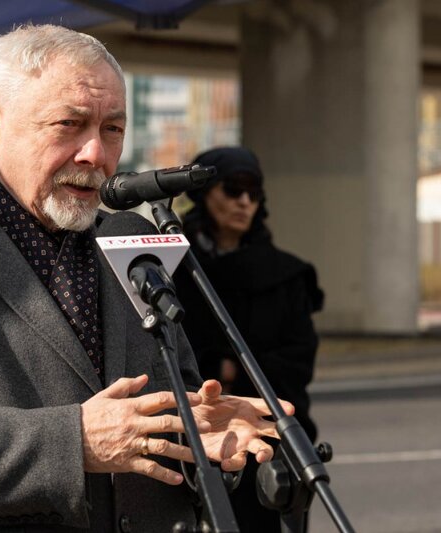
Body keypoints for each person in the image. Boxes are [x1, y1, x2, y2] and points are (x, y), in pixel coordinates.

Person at [0, 25, 293, 533]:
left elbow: (164, 403)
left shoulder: (130, 236)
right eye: (69, 124)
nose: (96, 153)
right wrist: (74, 443)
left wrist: (194, 434)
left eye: (113, 128)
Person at [173, 146, 324, 532]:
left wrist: (233, 368)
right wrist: (213, 368)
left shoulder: (287, 275)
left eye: (253, 192)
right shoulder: (169, 266)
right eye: (233, 189)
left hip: (271, 446)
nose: (244, 201)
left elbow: (298, 359)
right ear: (205, 193)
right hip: (192, 444)